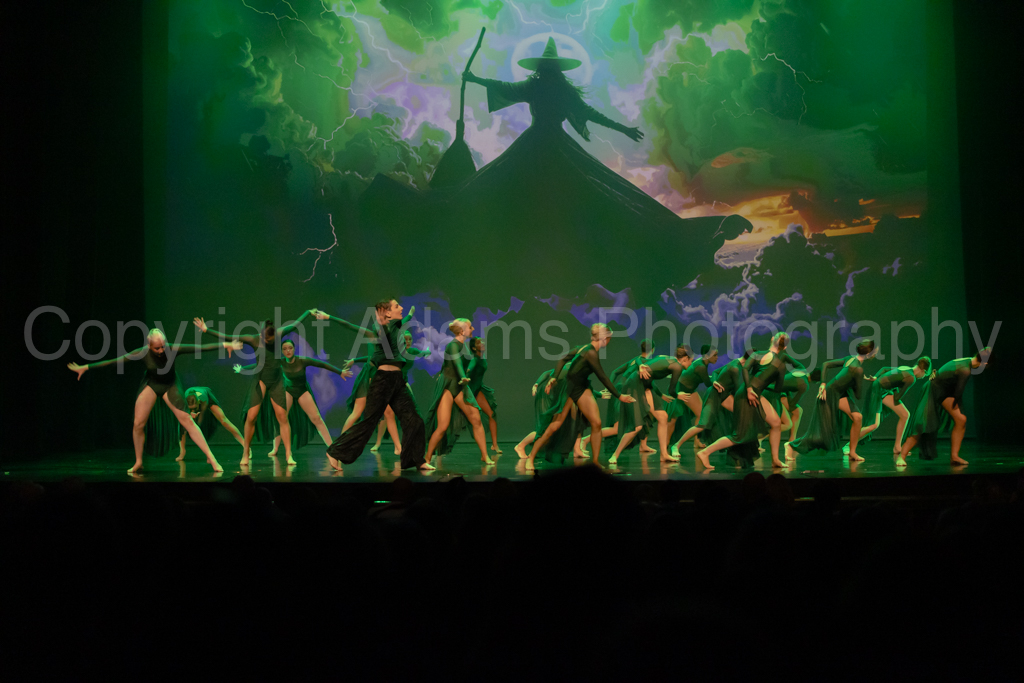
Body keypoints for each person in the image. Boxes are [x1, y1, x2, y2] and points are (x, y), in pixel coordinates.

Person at [68, 328, 242, 474]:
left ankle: (211, 458)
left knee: (187, 420)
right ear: (149, 345)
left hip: (170, 384)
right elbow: (115, 361)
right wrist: (86, 367)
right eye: (156, 348)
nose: (160, 351)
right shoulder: (142, 352)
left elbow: (199, 348)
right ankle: (138, 462)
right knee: (138, 423)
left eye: (162, 346)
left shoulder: (172, 349)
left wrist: (225, 345)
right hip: (151, 384)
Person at [194, 310, 315, 466]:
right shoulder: (253, 339)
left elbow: (296, 324)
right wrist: (206, 330)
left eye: (270, 340)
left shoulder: (279, 334)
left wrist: (307, 312)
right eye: (266, 339)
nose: (268, 341)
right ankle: (245, 452)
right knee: (251, 417)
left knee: (282, 417)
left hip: (277, 380)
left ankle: (288, 454)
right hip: (261, 379)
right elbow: (229, 337)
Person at [323, 299, 427, 471]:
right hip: (383, 380)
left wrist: (410, 314)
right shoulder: (380, 328)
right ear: (387, 313)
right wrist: (329, 317)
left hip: (398, 380)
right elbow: (353, 327)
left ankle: (416, 460)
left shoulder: (396, 325)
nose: (401, 307)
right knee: (369, 422)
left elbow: (405, 319)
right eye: (397, 306)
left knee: (414, 419)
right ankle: (335, 452)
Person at [523, 323, 636, 471]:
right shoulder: (589, 353)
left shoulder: (584, 348)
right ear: (604, 339)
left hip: (582, 387)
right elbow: (602, 377)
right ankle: (531, 457)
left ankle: (595, 463)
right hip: (569, 388)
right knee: (555, 425)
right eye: (609, 338)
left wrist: (555, 377)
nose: (609, 341)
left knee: (596, 423)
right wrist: (619, 396)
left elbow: (563, 358)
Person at [697, 333, 805, 470]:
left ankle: (775, 460)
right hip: (749, 395)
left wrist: (749, 389)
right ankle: (705, 452)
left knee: (776, 423)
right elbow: (778, 389)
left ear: (772, 339)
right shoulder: (780, 366)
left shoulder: (757, 354)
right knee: (739, 436)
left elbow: (745, 369)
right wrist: (755, 389)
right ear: (785, 347)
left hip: (748, 393)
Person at [234, 339, 353, 458]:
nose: (288, 351)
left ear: (294, 349)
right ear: (282, 351)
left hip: (302, 391)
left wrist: (340, 372)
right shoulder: (279, 362)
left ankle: (331, 447)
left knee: (317, 418)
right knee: (281, 418)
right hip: (288, 391)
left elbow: (321, 364)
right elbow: (260, 366)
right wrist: (242, 369)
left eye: (290, 348)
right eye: (285, 349)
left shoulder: (302, 361)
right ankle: (275, 448)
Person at [785, 339, 878, 463]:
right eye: (874, 351)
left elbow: (826, 364)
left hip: (839, 393)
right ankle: (791, 445)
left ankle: (852, 452)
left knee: (858, 417)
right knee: (824, 435)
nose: (876, 353)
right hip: (830, 395)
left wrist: (824, 383)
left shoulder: (850, 359)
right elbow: (858, 395)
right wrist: (858, 380)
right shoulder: (857, 369)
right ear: (867, 354)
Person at [897, 348, 990, 466]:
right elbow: (958, 393)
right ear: (985, 363)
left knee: (961, 420)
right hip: (932, 391)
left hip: (944, 391)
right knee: (922, 425)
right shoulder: (965, 369)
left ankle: (954, 457)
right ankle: (901, 456)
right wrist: (956, 407)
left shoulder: (968, 361)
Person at [423, 320, 493, 467]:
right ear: (462, 331)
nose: (472, 328)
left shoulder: (464, 346)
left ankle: (485, 456)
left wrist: (465, 378)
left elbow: (464, 364)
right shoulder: (453, 345)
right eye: (470, 327)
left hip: (460, 386)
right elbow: (457, 363)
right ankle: (427, 458)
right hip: (448, 386)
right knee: (443, 426)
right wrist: (463, 377)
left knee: (476, 419)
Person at [607, 347, 688, 465]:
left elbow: (644, 367)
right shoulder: (677, 367)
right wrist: (678, 395)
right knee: (637, 427)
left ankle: (664, 454)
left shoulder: (663, 357)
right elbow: (672, 390)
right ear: (685, 358)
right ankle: (615, 455)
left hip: (646, 386)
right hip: (634, 385)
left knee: (663, 417)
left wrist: (660, 395)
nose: (691, 364)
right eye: (691, 361)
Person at [844, 356, 931, 459]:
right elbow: (897, 398)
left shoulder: (906, 368)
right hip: (877, 391)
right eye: (925, 375)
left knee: (905, 414)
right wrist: (896, 388)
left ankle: (897, 447)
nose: (923, 377)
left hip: (883, 390)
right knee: (874, 425)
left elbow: (884, 369)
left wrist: (876, 377)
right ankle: (848, 445)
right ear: (923, 370)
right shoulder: (911, 378)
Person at [364, 330, 430, 455]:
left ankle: (410, 445)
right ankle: (390, 445)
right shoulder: (395, 352)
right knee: (387, 414)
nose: (408, 342)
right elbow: (374, 361)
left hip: (402, 385)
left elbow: (423, 353)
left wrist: (427, 351)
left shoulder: (411, 351)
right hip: (388, 385)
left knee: (412, 414)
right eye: (405, 339)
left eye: (410, 339)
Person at [176, 386, 246, 462]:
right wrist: (191, 416)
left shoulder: (203, 400)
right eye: (191, 409)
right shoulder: (183, 403)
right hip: (192, 400)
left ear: (198, 402)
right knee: (182, 424)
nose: (193, 410)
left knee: (224, 421)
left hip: (207, 395)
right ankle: (182, 451)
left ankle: (246, 446)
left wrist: (195, 420)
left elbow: (200, 423)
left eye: (194, 408)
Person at [466, 336, 501, 455]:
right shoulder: (475, 360)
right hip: (471, 391)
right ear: (474, 348)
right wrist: (464, 375)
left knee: (492, 414)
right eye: (479, 342)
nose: (482, 343)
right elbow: (468, 370)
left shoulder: (482, 357)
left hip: (478, 389)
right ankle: (437, 449)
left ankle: (495, 445)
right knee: (455, 421)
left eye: (482, 341)